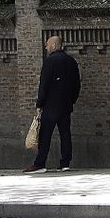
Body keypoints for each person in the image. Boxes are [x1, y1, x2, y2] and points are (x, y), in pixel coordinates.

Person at [29, 35, 81, 173]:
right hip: (66, 105)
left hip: (51, 105)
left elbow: (44, 85)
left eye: (47, 45)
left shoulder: (50, 61)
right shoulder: (71, 61)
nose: (46, 47)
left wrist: (40, 104)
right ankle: (65, 163)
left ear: (53, 45)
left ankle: (40, 164)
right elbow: (77, 84)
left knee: (45, 135)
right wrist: (72, 100)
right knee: (65, 134)